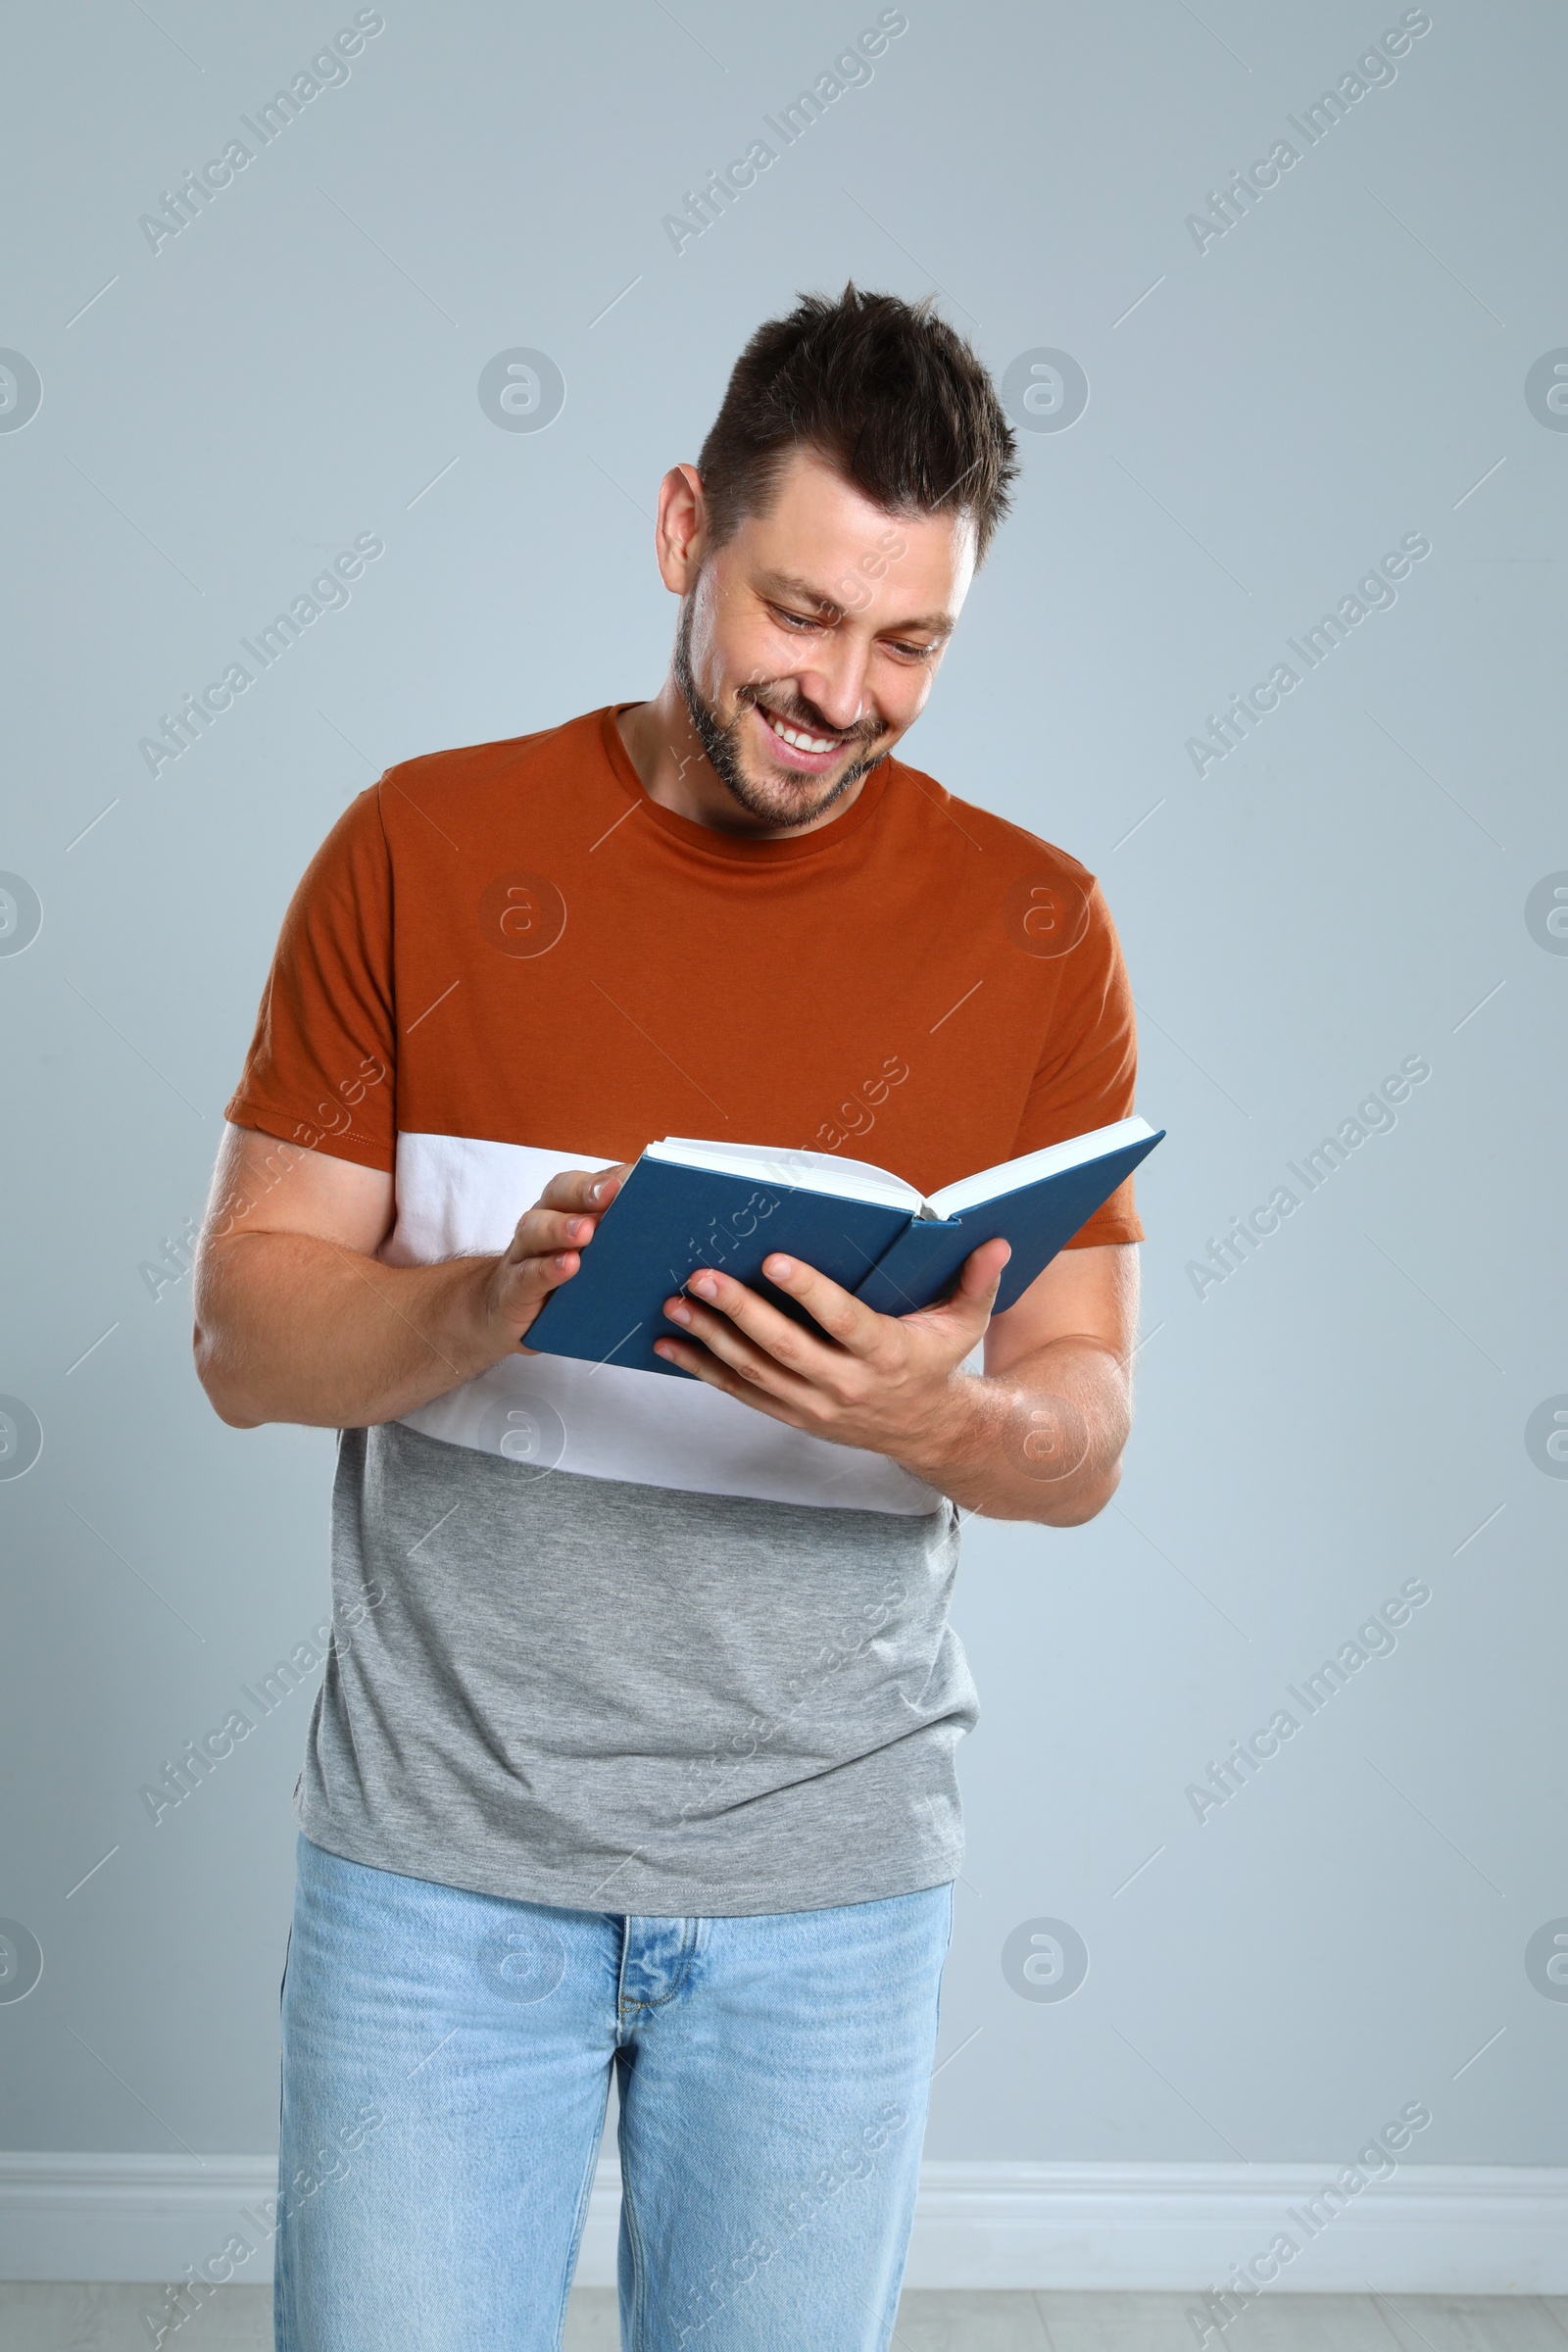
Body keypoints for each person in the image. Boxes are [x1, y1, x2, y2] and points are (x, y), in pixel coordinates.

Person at [193, 283, 1147, 2352]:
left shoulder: (1037, 925)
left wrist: (936, 1421)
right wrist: (481, 1301)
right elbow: (244, 1341)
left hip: (831, 1885)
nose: (842, 693)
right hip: (438, 1869)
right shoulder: (419, 851)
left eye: (910, 644)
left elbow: (1081, 1426)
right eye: (799, 614)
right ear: (675, 535)